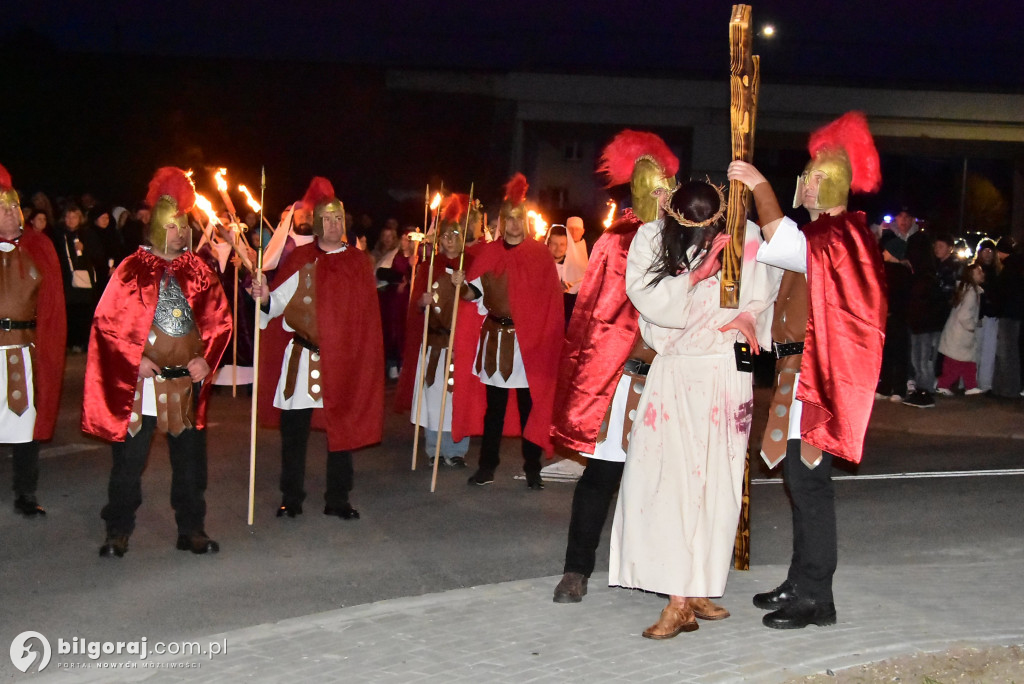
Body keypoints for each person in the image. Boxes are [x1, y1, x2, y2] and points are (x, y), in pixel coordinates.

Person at [728, 111, 887, 629]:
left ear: (830, 181)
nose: (808, 183)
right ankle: (802, 580)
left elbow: (787, 243)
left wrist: (759, 186)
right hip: (797, 373)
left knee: (811, 486)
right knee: (801, 483)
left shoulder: (840, 236)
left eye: (814, 175)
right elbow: (782, 260)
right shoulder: (826, 234)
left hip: (817, 377)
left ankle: (817, 597)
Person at [608, 180, 780, 639]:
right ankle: (676, 599)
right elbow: (650, 302)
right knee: (669, 482)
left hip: (726, 373)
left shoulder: (744, 239)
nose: (704, 238)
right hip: (677, 374)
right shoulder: (653, 239)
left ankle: (697, 583)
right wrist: (697, 274)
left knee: (716, 485)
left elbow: (764, 293)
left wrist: (749, 315)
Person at [550, 130, 678, 603]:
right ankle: (576, 569)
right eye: (657, 188)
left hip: (667, 378)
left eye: (669, 187)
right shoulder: (616, 241)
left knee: (662, 480)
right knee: (601, 476)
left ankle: (665, 574)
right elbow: (596, 314)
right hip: (620, 380)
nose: (665, 195)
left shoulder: (681, 237)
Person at [83, 167, 232, 557]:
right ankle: (117, 529)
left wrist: (206, 359)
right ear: (154, 227)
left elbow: (219, 321)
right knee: (129, 463)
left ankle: (191, 529)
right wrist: (136, 359)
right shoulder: (131, 270)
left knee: (189, 464)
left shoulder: (200, 272)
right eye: (171, 226)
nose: (179, 234)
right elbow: (107, 325)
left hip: (183, 383)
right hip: (142, 386)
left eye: (182, 226)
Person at [253, 177, 383, 520]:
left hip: (342, 362)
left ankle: (337, 498)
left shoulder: (358, 263)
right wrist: (263, 297)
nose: (333, 224)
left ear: (345, 222)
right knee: (293, 432)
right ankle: (291, 497)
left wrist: (359, 361)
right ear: (317, 223)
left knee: (342, 430)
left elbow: (366, 322)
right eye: (327, 219)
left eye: (338, 218)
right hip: (301, 358)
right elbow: (277, 303)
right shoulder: (301, 259)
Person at [451, 173, 563, 489]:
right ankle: (487, 467)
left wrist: (543, 339)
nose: (514, 224)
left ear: (524, 222)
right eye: (509, 219)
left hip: (528, 344)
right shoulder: (489, 253)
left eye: (519, 219)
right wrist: (462, 286)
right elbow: (475, 293)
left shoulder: (539, 255)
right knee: (494, 410)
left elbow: (548, 303)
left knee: (530, 408)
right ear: (502, 221)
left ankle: (532, 468)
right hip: (496, 340)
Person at [0, 163, 66, 517]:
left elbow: (52, 308)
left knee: (24, 424)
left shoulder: (38, 247)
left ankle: (25, 492)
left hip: (22, 353)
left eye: (15, 207)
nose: (13, 213)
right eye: (3, 208)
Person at [395, 195, 475, 467]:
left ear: (462, 237)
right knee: (433, 396)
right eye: (446, 236)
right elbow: (416, 307)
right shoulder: (430, 266)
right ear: (439, 239)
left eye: (455, 235)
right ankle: (434, 449)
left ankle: (457, 450)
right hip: (435, 343)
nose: (450, 240)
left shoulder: (472, 265)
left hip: (460, 345)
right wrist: (423, 301)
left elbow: (479, 303)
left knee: (456, 398)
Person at [53, 203, 102, 351]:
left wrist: (84, 249)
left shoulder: (88, 234)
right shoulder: (59, 235)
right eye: (68, 217)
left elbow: (98, 255)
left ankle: (83, 342)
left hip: (85, 281)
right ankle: (69, 342)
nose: (70, 220)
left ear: (80, 218)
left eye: (74, 217)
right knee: (69, 312)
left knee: (84, 311)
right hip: (67, 281)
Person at [936, 262, 985, 395]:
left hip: (956, 333)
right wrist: (971, 327)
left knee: (961, 362)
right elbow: (964, 315)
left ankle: (969, 385)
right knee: (959, 362)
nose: (982, 274)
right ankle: (945, 384)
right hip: (961, 334)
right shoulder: (971, 293)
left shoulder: (965, 290)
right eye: (979, 272)